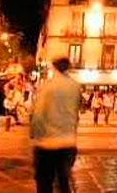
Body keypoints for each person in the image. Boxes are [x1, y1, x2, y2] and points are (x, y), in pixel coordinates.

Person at [30, 57, 81, 193]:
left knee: (44, 182)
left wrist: (35, 135)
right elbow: (76, 113)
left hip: (48, 142)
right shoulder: (75, 86)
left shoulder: (47, 86)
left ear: (54, 67)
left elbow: (39, 114)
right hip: (68, 141)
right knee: (63, 181)